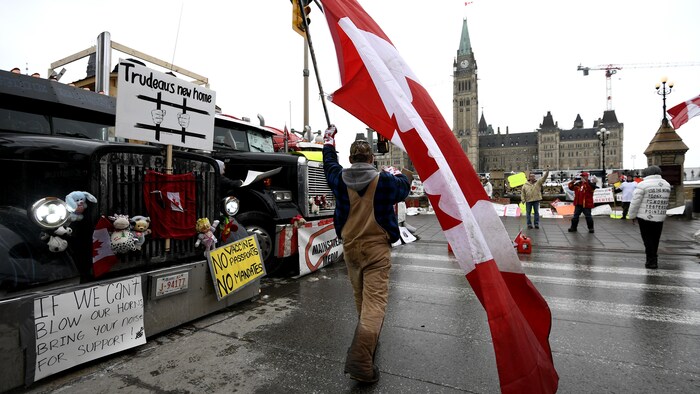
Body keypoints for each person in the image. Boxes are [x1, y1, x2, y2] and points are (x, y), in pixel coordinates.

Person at [322, 125, 411, 384]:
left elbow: (329, 164)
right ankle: (361, 359)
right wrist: (403, 172)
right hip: (376, 249)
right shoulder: (383, 180)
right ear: (372, 158)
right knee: (375, 302)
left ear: (350, 159)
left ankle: (369, 336)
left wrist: (329, 142)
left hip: (350, 248)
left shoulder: (339, 178)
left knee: (361, 296)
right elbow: (403, 188)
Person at [628, 165, 671, 269]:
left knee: (647, 239)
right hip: (659, 216)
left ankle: (651, 260)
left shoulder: (643, 184)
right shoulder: (666, 184)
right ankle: (654, 259)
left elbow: (635, 202)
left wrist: (632, 215)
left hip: (645, 216)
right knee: (656, 239)